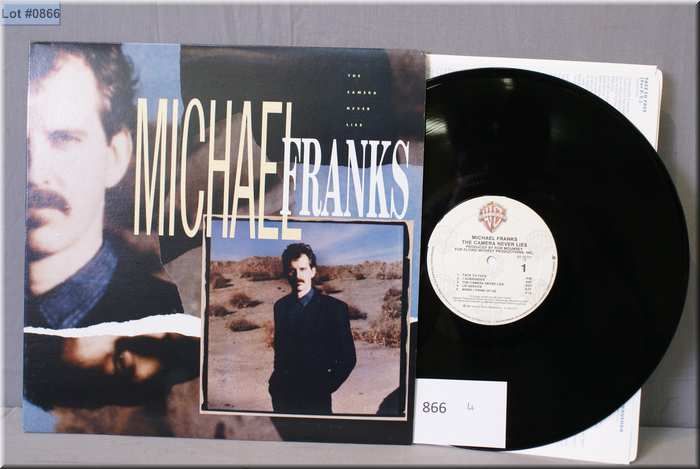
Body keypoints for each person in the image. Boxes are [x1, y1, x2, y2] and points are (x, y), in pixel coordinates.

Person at [25, 43, 183, 329]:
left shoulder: (170, 325)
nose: (35, 172)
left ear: (115, 156)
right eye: (9, 140)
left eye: (64, 139)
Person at [268, 243, 356, 414]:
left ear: (313, 271)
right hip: (283, 397)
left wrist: (324, 387)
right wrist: (275, 384)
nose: (298, 276)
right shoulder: (281, 307)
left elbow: (348, 359)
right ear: (286, 273)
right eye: (292, 271)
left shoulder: (335, 309)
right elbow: (280, 349)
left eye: (302, 269)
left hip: (316, 400)